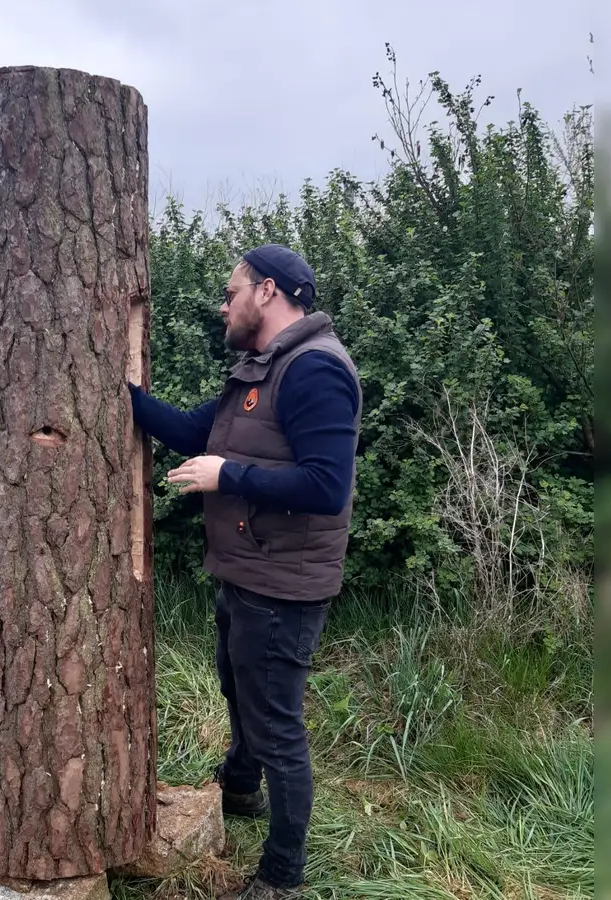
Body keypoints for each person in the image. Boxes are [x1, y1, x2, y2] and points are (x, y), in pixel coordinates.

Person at [127, 244, 361, 900]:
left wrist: (225, 474)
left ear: (268, 291)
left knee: (276, 725)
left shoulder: (314, 371)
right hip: (248, 574)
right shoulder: (257, 371)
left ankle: (280, 877)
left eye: (232, 292)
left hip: (282, 587)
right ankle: (239, 791)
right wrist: (113, 392)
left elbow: (326, 485)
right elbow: (186, 430)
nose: (223, 304)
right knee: (239, 689)